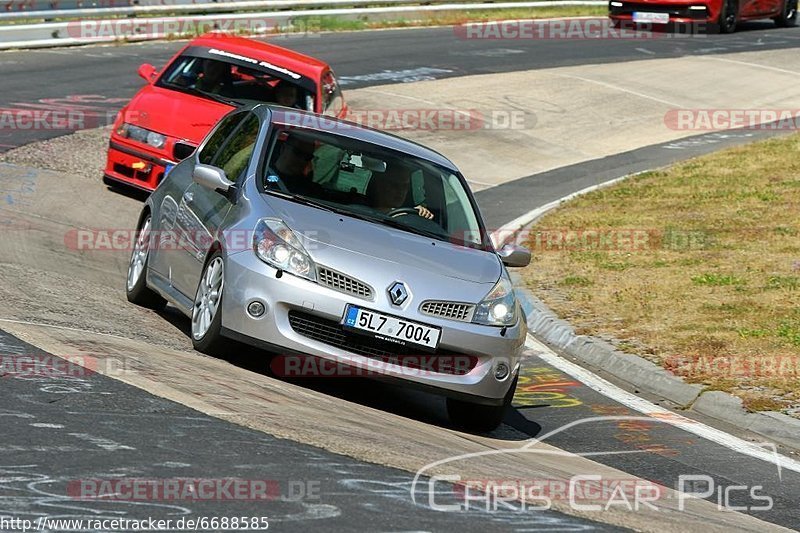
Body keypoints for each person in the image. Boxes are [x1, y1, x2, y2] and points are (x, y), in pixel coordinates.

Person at [367, 163, 433, 220]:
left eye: (405, 186)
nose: (401, 191)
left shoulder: (410, 214)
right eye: (395, 185)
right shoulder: (362, 212)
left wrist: (421, 214)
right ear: (381, 186)